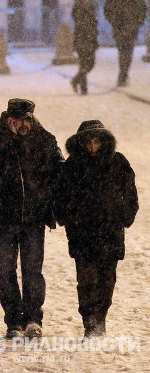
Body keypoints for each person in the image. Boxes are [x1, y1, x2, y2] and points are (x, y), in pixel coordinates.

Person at [0, 98, 63, 339]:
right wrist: (8, 136)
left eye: (27, 119)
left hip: (34, 218)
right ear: (8, 120)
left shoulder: (44, 140)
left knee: (33, 271)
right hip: (3, 217)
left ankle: (34, 319)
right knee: (6, 271)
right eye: (18, 120)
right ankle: (13, 322)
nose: (23, 124)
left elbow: (60, 168)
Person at [55, 120, 138, 338]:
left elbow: (130, 193)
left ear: (103, 142)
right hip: (82, 233)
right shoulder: (72, 166)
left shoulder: (118, 162)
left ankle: (101, 317)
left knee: (107, 279)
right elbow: (61, 197)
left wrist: (125, 217)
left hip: (110, 232)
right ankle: (89, 321)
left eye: (96, 142)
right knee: (86, 279)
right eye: (88, 142)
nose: (93, 147)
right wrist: (68, 219)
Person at [104, 0, 147, 87]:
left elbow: (143, 12)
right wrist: (115, 23)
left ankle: (124, 73)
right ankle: (123, 75)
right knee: (122, 53)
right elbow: (107, 10)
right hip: (119, 30)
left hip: (132, 30)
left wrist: (137, 24)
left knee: (129, 53)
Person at [70, 0, 99, 95]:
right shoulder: (77, 8)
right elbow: (79, 22)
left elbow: (94, 23)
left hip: (91, 39)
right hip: (81, 39)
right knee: (83, 64)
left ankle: (75, 80)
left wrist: (95, 37)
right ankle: (84, 89)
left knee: (91, 64)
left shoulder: (91, 8)